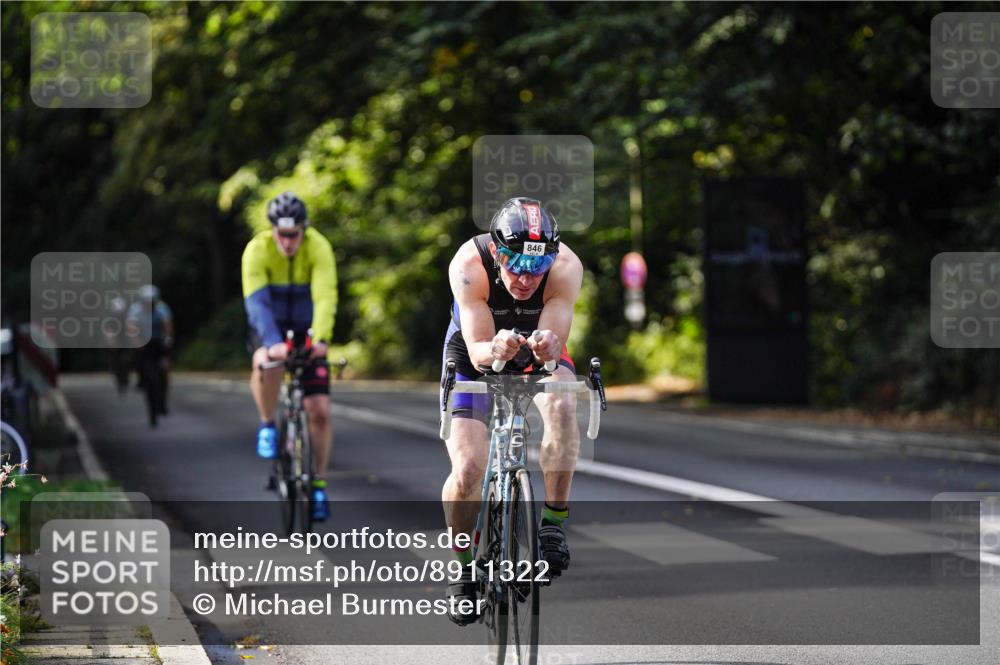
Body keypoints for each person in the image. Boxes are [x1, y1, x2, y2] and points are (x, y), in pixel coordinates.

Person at [440, 197, 583, 624]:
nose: (525, 278)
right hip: (474, 350)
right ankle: (464, 566)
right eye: (516, 264)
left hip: (535, 346)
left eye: (536, 268)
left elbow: (554, 346)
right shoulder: (469, 263)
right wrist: (493, 348)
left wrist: (549, 347)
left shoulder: (565, 267)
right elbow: (479, 348)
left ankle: (553, 524)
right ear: (498, 252)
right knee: (468, 467)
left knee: (561, 403)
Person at [241, 192, 337, 522]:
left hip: (306, 327)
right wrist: (270, 342)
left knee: (319, 411)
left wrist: (321, 338)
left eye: (293, 234)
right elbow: (256, 303)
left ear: (303, 229)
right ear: (272, 231)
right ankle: (267, 423)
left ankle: (319, 484)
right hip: (270, 324)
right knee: (265, 362)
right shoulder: (256, 250)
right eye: (281, 235)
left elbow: (325, 295)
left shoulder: (318, 246)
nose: (287, 242)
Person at [126, 285, 174, 424]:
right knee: (139, 363)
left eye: (151, 301)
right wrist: (136, 343)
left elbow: (168, 327)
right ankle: (139, 377)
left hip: (159, 346)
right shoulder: (135, 310)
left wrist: (167, 343)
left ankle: (163, 402)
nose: (149, 303)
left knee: (164, 371)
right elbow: (132, 328)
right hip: (144, 346)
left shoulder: (162, 309)